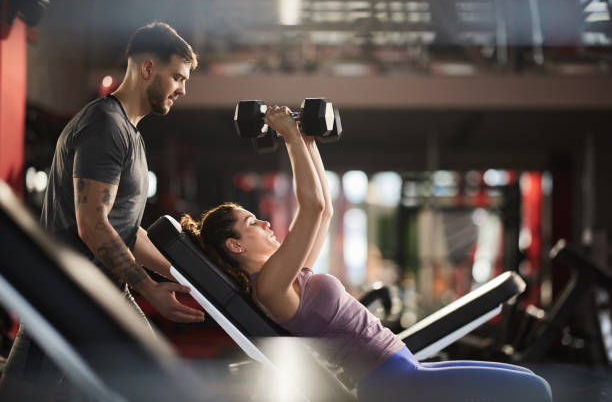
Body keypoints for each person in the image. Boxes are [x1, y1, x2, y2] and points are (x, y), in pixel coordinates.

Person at [181, 106, 553, 402]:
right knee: (536, 392)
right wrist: (289, 136)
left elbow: (323, 210)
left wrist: (307, 140)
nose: (264, 222)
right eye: (251, 223)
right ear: (235, 245)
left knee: (530, 382)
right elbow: (308, 209)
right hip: (394, 383)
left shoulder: (287, 275)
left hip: (402, 371)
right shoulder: (270, 288)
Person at [0, 22, 205, 399]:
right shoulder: (105, 126)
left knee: (156, 385)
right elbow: (93, 225)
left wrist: (189, 279)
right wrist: (149, 288)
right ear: (147, 68)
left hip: (103, 292)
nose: (182, 89)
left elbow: (128, 231)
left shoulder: (132, 136)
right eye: (177, 76)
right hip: (67, 297)